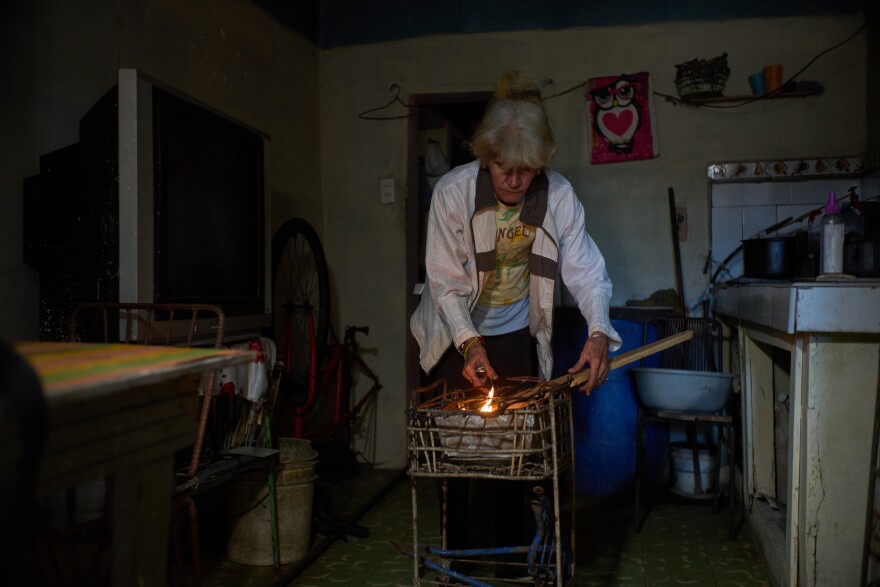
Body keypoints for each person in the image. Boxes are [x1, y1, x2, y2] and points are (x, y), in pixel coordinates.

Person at [409, 71, 622, 571]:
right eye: (504, 168)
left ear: (540, 164)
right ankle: (456, 562)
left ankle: (510, 560)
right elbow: (443, 282)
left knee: (514, 451)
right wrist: (469, 344)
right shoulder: (452, 194)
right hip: (452, 333)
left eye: (525, 170)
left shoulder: (560, 197)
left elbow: (588, 272)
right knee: (457, 453)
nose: (513, 181)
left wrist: (597, 335)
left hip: (512, 332)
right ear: (486, 156)